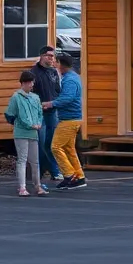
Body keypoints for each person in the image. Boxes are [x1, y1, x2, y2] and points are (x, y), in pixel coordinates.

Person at [48, 53, 87, 190]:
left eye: (56, 62)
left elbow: (67, 98)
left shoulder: (69, 80)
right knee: (69, 149)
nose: (54, 64)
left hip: (69, 119)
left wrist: (51, 104)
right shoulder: (72, 77)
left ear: (61, 64)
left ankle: (69, 174)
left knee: (56, 146)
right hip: (72, 119)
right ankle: (79, 176)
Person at [6, 70, 47, 196]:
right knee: (22, 159)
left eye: (32, 82)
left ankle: (37, 185)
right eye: (29, 82)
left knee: (35, 161)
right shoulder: (16, 97)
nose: (31, 85)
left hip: (33, 133)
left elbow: (40, 113)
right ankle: (22, 187)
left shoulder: (35, 97)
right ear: (23, 83)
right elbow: (10, 114)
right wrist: (24, 124)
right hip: (21, 133)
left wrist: (39, 123)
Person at [30, 46, 63, 181]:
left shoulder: (53, 72)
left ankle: (54, 170)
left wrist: (56, 102)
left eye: (53, 56)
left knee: (52, 142)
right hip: (39, 113)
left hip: (52, 112)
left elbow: (57, 90)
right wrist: (38, 105)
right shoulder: (33, 72)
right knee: (41, 143)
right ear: (42, 56)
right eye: (49, 56)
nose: (51, 58)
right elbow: (29, 93)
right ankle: (41, 171)